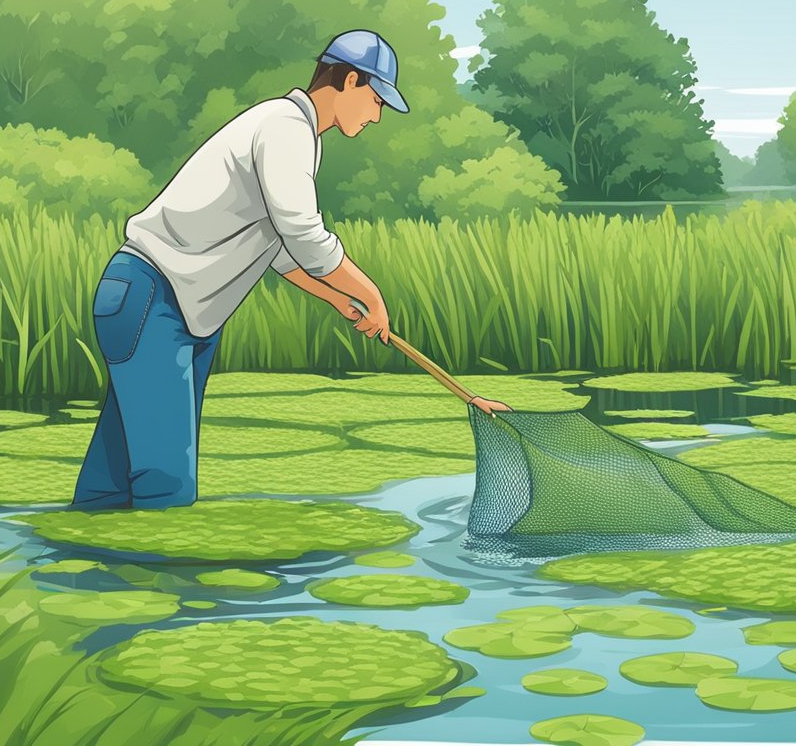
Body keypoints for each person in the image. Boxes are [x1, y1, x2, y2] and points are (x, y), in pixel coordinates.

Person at [70, 29, 511, 511]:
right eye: (376, 99)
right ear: (347, 80)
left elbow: (278, 249)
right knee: (166, 485)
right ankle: (155, 581)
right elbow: (303, 234)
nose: (378, 114)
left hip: (166, 306)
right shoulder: (286, 129)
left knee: (110, 485)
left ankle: (83, 571)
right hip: (156, 302)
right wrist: (373, 295)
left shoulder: (295, 136)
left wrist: (339, 299)